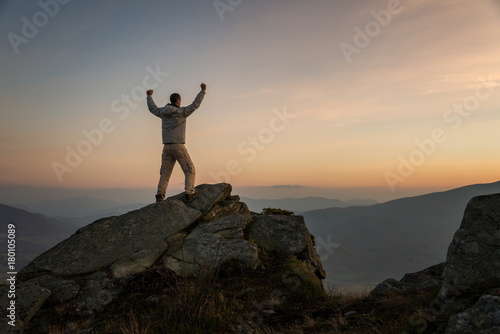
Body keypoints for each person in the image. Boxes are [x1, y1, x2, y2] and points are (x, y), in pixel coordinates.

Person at [146, 83, 206, 203]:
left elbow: (152, 109)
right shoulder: (182, 112)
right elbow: (195, 105)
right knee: (189, 170)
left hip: (166, 146)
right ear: (178, 101)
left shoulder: (162, 112)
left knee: (165, 173)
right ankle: (189, 192)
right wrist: (202, 91)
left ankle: (160, 194)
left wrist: (149, 97)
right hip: (178, 146)